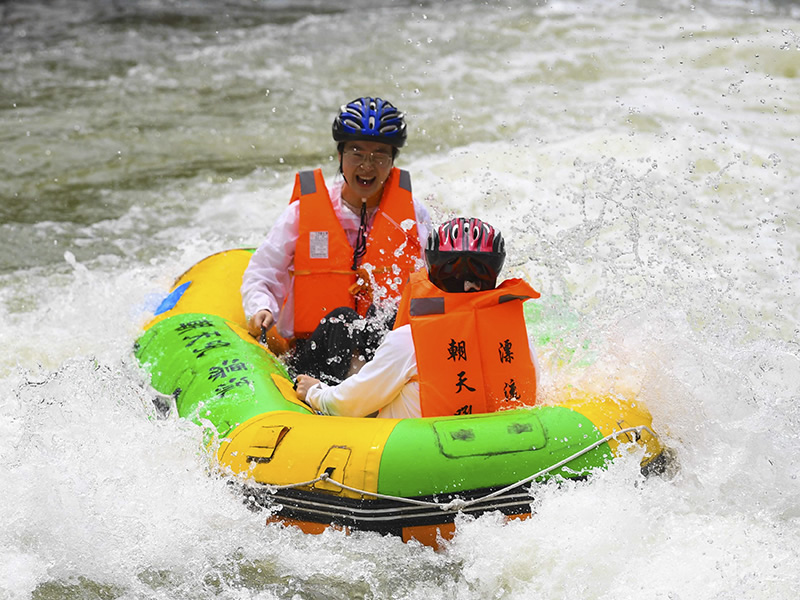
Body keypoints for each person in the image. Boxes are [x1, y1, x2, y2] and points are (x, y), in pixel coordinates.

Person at [241, 96, 432, 384]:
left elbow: (434, 281)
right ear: (340, 155)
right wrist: (261, 308)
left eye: (380, 155)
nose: (367, 166)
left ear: (392, 161)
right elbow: (262, 275)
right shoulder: (301, 213)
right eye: (357, 153)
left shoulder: (412, 215)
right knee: (342, 320)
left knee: (388, 316)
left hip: (383, 356)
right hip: (314, 354)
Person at [295, 217, 541, 418]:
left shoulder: (407, 341)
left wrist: (316, 392)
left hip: (410, 454)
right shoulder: (518, 337)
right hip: (501, 446)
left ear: (434, 270)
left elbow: (347, 406)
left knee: (343, 321)